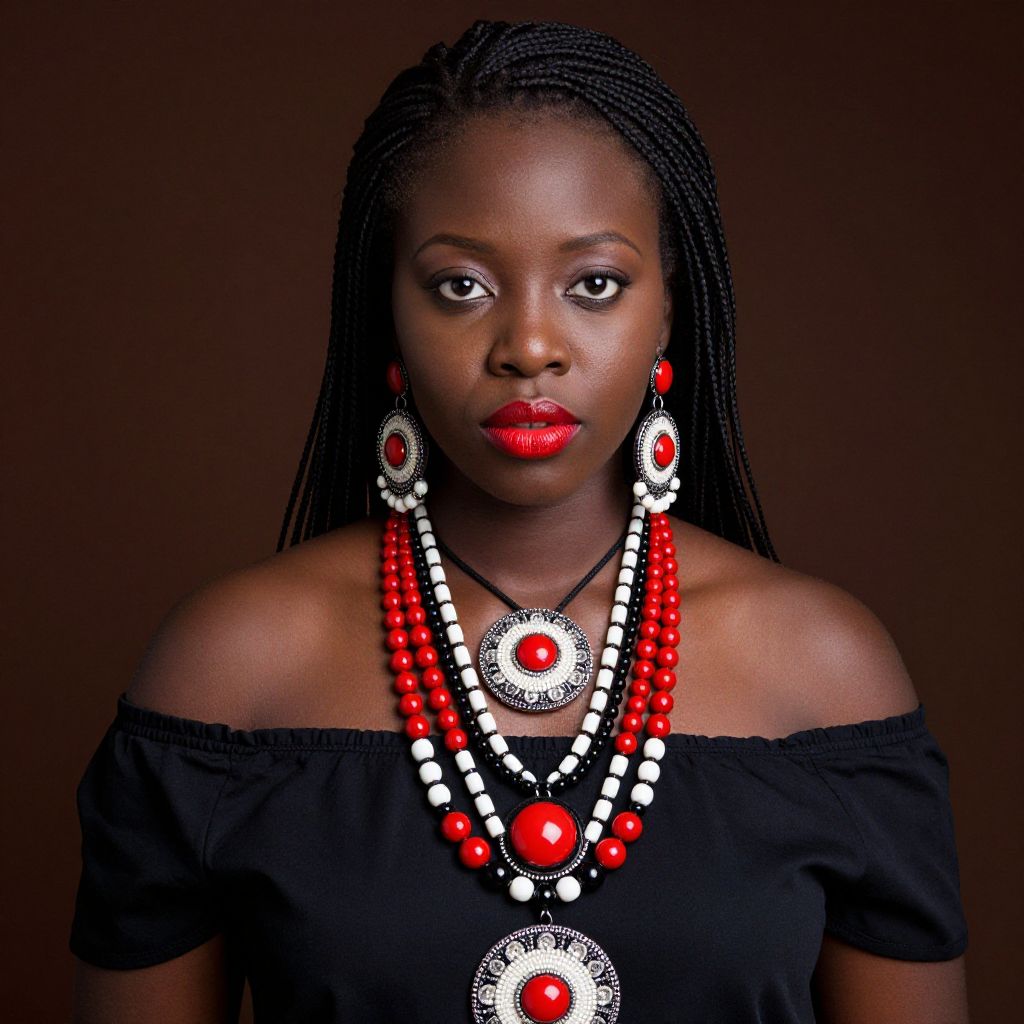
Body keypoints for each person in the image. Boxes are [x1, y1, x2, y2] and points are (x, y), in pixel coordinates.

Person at [69, 19, 969, 1024]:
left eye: (594, 284)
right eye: (462, 286)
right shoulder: (228, 672)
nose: (529, 345)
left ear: (667, 308)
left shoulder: (825, 670)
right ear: (390, 311)